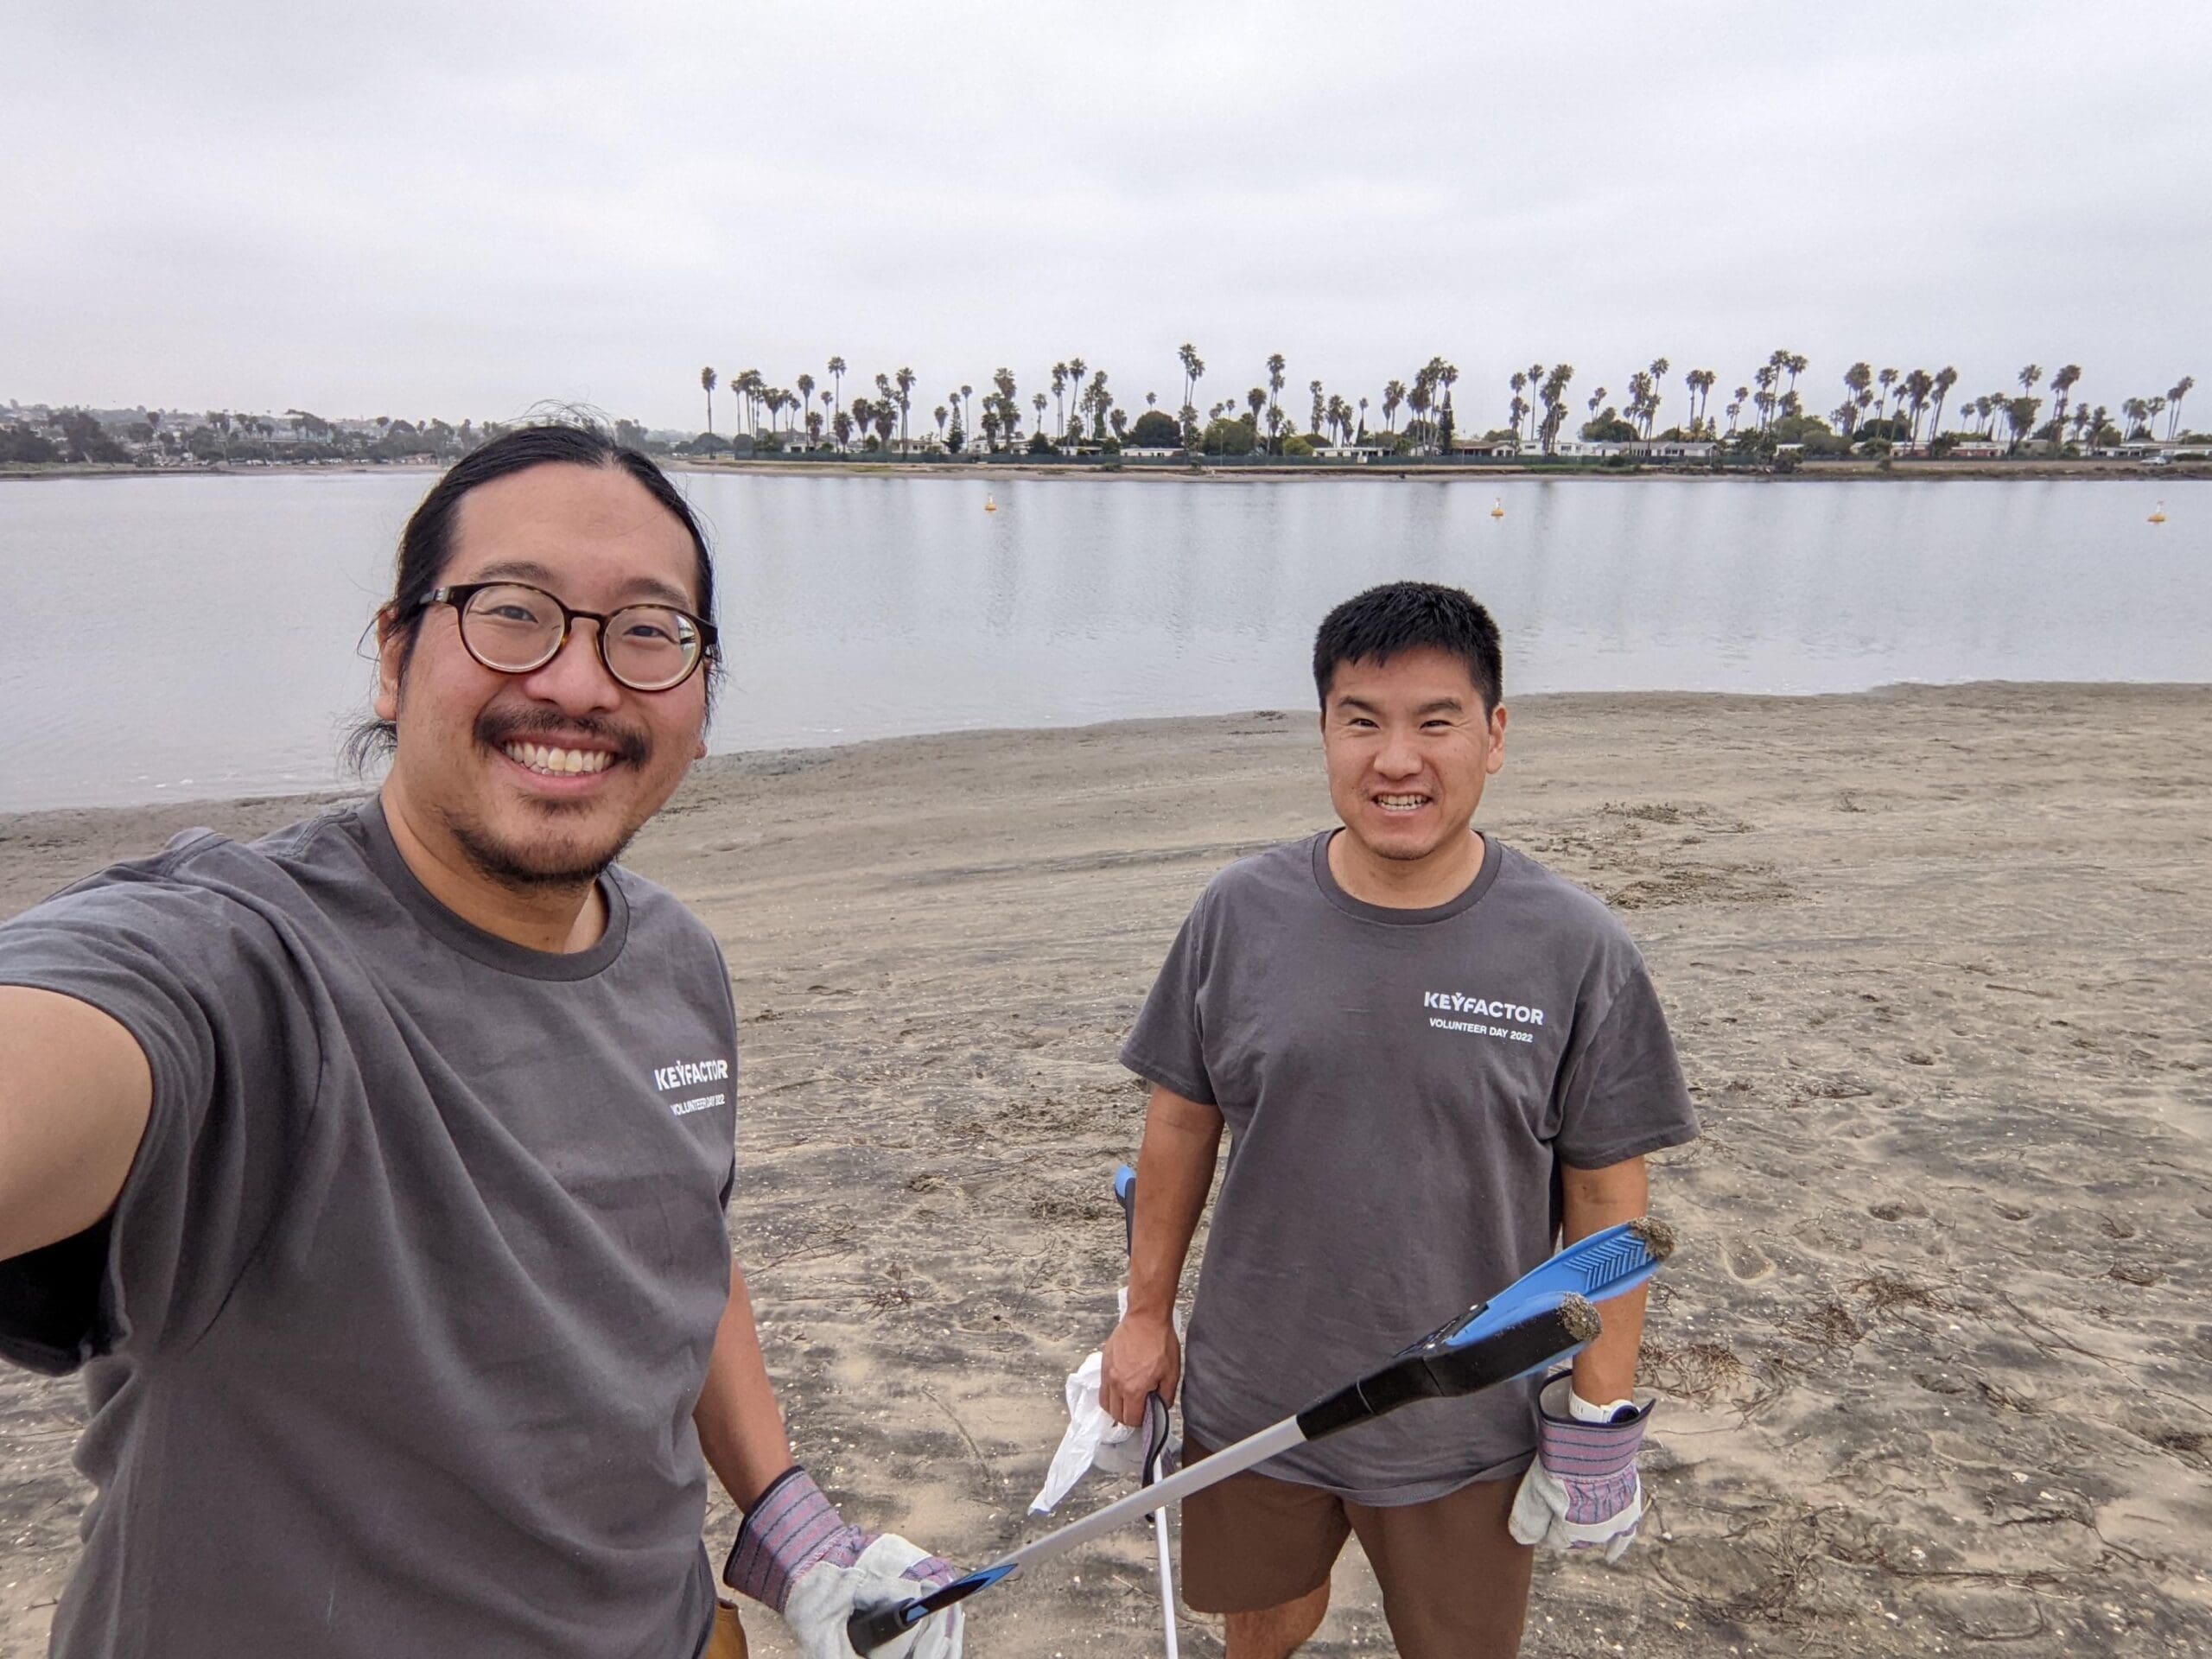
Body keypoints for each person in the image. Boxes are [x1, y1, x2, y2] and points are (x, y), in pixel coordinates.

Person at [0, 425, 961, 1659]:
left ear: (701, 699)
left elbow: (679, 1244)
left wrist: (788, 1515)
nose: (578, 682)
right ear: (396, 657)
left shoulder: (677, 961)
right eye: (515, 612)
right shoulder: (250, 961)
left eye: (648, 631)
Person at [1099, 581, 1699, 1659]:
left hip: (1467, 1413)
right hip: (1256, 1399)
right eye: (1361, 721)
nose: (1396, 760)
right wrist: (1145, 1318)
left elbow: (1607, 1194)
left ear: (1494, 735)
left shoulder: (1575, 948)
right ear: (1323, 730)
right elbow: (1180, 1124)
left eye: (1436, 721)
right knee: (1262, 1621)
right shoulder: (1238, 914)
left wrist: (1598, 1411)